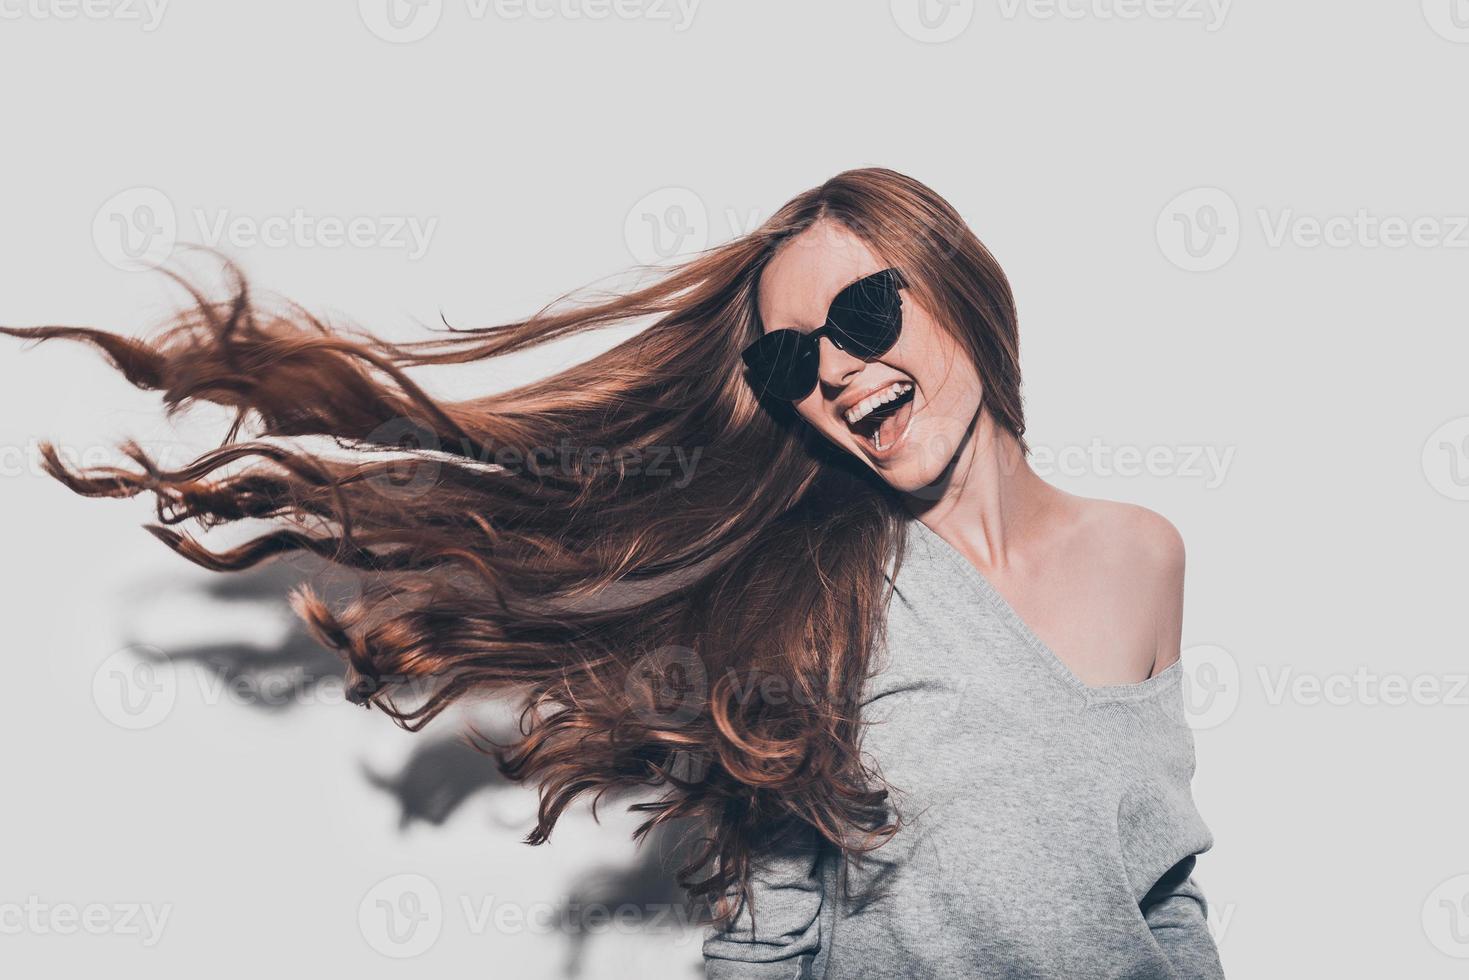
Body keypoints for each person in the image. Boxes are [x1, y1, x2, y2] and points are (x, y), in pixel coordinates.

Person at [1, 167, 1223, 977]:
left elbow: (1159, 883)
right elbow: (773, 929)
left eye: (863, 314)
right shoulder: (816, 600)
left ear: (953, 280)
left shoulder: (1142, 553)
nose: (840, 371)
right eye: (796, 360)